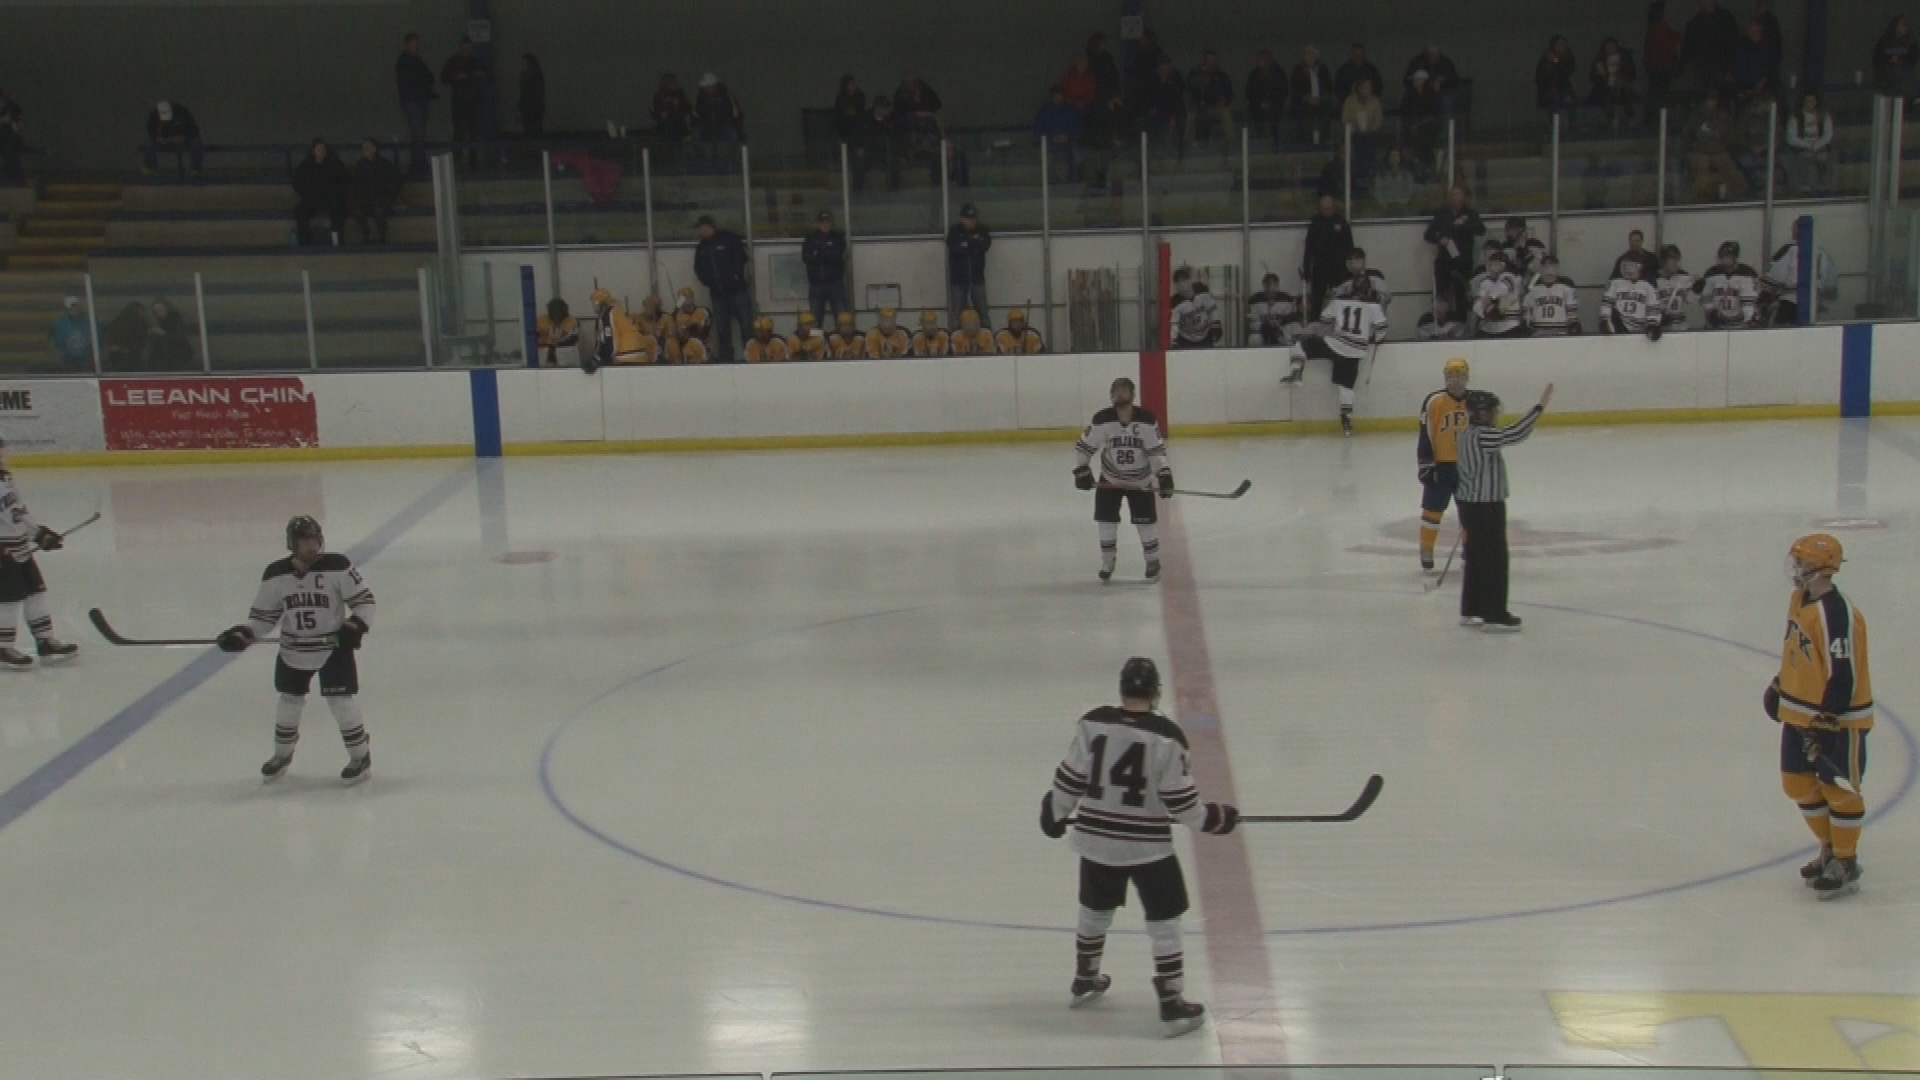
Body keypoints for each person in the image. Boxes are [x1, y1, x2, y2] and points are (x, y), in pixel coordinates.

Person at [1040, 656, 1236, 1035]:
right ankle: (1171, 1003)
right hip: (1147, 847)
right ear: (1155, 691)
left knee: (1094, 910)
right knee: (1165, 922)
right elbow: (1182, 804)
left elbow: (1069, 779)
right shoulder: (1167, 736)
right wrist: (1214, 818)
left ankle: (1085, 978)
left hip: (1096, 840)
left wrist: (1055, 811)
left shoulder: (1093, 723)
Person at [217, 516, 375, 784]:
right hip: (293, 650)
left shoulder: (337, 566)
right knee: (288, 702)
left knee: (341, 702)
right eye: (305, 542)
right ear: (293, 544)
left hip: (332, 647)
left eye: (315, 540)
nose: (312, 547)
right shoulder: (276, 575)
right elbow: (264, 617)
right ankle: (281, 754)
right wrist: (245, 634)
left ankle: (360, 756)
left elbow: (365, 602)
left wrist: (354, 626)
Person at [1767, 533, 1872, 900]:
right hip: (1798, 713)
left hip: (1837, 719)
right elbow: (1798, 652)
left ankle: (1845, 859)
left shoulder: (1836, 613)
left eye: (1802, 563)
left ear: (1821, 567)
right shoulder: (1800, 600)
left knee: (1839, 789)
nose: (1795, 570)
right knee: (1796, 784)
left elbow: (1843, 672)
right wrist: (1781, 686)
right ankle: (1829, 847)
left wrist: (1828, 718)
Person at [1455, 385, 1553, 632]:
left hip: (1469, 505)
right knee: (1494, 560)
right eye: (1493, 411)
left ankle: (1472, 608)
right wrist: (1538, 409)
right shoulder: (1482, 436)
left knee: (1476, 559)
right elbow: (1515, 434)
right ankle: (1495, 614)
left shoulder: (1465, 435)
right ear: (1482, 413)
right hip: (1486, 506)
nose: (1496, 415)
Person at [1072, 377, 1175, 582]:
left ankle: (1152, 560)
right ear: (1111, 396)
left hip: (1140, 481)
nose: (1120, 394)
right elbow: (1084, 447)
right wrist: (1081, 469)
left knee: (1146, 523)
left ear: (1133, 394)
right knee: (1106, 521)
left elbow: (1156, 452)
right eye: (1116, 391)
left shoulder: (1147, 420)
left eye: (1124, 391)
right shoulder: (1102, 420)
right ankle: (1108, 562)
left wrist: (1164, 474)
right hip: (1110, 479)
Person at [0, 438, 78, 668]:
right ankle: (3, 647)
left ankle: (45, 641)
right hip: (3, 549)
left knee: (36, 592)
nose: (4, 456)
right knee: (8, 598)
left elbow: (19, 512)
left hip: (19, 546)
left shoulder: (6, 479)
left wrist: (39, 534)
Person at [1284, 267, 1388, 436]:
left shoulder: (1339, 301)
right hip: (1355, 350)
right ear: (1368, 288)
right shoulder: (1374, 306)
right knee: (1346, 387)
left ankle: (1297, 371)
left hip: (1335, 343)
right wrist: (1377, 338)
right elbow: (1382, 330)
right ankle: (1346, 421)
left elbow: (1325, 319)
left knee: (1301, 345)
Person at [1415, 357, 1471, 573]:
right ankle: (1427, 550)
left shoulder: (1475, 401)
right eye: (1450, 375)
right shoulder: (1434, 401)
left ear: (1467, 377)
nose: (1454, 380)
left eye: (1459, 375)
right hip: (1440, 467)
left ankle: (1470, 551)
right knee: (1432, 511)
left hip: (1468, 467)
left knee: (1470, 512)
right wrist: (1426, 465)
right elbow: (1426, 434)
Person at [693, 215, 753, 362]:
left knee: (746, 325)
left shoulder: (728, 238)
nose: (701, 231)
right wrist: (709, 282)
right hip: (718, 294)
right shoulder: (701, 248)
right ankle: (726, 358)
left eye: (703, 227)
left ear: (710, 227)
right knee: (722, 329)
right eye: (699, 229)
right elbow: (698, 269)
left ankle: (751, 353)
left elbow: (741, 257)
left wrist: (736, 275)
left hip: (738, 291)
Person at [1425, 186, 1485, 316]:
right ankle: (1441, 316)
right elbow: (1428, 235)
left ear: (1463, 196)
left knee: (1461, 292)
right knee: (1442, 291)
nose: (1455, 197)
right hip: (1445, 259)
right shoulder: (1441, 214)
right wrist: (1439, 239)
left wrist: (1465, 225)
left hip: (1463, 259)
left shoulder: (1470, 213)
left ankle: (1461, 321)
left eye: (1458, 194)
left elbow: (1481, 230)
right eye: (1452, 195)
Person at [1685, 90, 1746, 201]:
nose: (1710, 102)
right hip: (1699, 153)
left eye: (1713, 100)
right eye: (1708, 100)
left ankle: (1736, 196)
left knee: (1730, 168)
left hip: (1719, 152)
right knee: (1701, 170)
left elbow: (1731, 135)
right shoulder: (1694, 117)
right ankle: (1701, 197)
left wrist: (1723, 147)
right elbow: (1687, 138)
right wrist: (1695, 148)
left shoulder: (1723, 117)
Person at [1759, 239, 1837, 325]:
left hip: (1790, 305)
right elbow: (1831, 286)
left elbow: (1773, 280)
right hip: (1816, 307)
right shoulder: (1824, 253)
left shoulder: (1790, 249)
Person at [1301, 194, 1354, 319]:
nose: (1326, 212)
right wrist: (1306, 268)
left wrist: (1349, 271)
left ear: (1333, 208)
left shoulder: (1341, 222)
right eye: (1323, 209)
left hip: (1338, 269)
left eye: (1328, 209)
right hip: (1320, 268)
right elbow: (1309, 248)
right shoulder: (1315, 222)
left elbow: (1350, 247)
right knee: (1317, 302)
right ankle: (1315, 328)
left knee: (1341, 300)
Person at [440, 37, 490, 168]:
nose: (468, 51)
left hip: (474, 103)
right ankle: (457, 161)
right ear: (461, 48)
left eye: (469, 48)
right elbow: (444, 77)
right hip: (459, 104)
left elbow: (490, 75)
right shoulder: (453, 62)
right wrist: (455, 77)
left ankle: (473, 161)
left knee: (474, 133)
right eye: (465, 48)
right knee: (458, 133)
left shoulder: (477, 62)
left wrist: (483, 74)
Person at [291, 139, 349, 247]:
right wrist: (307, 194)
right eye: (318, 149)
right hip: (312, 200)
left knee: (339, 210)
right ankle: (306, 242)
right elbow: (297, 182)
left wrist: (337, 194)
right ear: (313, 151)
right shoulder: (306, 165)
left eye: (323, 149)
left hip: (332, 199)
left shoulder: (335, 164)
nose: (321, 151)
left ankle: (337, 240)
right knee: (299, 210)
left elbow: (344, 181)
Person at [395, 34, 436, 177]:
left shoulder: (416, 60)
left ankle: (418, 164)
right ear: (407, 45)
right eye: (414, 43)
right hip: (413, 102)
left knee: (419, 134)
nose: (417, 46)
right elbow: (418, 79)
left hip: (419, 101)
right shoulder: (404, 62)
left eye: (417, 43)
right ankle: (418, 166)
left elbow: (428, 76)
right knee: (418, 134)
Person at [1694, 240, 1759, 328]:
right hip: (1716, 324)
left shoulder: (1747, 274)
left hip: (1739, 325)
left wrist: (1748, 319)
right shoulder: (1711, 273)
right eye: (1722, 256)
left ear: (1735, 257)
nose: (1724, 259)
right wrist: (1711, 312)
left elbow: (1749, 303)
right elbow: (1706, 298)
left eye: (1727, 256)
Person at [947, 204, 992, 329]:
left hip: (977, 280)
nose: (972, 221)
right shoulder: (954, 231)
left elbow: (985, 245)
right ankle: (955, 344)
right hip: (959, 281)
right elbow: (956, 249)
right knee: (957, 314)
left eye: (974, 218)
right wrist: (974, 245)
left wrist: (968, 245)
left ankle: (988, 342)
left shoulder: (982, 230)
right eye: (969, 218)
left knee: (983, 313)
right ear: (962, 218)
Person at [350, 138, 403, 245]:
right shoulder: (360, 166)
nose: (365, 149)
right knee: (357, 212)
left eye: (367, 147)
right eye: (363, 147)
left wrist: (389, 197)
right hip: (364, 200)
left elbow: (396, 182)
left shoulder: (385, 164)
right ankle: (367, 235)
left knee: (379, 210)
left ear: (375, 148)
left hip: (381, 199)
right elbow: (355, 185)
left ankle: (382, 236)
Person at [1683, 0, 1741, 93]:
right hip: (1702, 69)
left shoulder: (1725, 19)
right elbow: (1689, 45)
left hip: (1720, 67)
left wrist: (1732, 69)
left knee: (1718, 97)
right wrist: (1687, 62)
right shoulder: (1695, 22)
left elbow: (1734, 44)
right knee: (1701, 97)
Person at [802, 210, 850, 323]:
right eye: (822, 222)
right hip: (816, 285)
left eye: (827, 222)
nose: (825, 224)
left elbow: (837, 255)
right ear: (818, 224)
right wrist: (826, 253)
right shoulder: (810, 238)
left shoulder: (838, 237)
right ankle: (815, 341)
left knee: (842, 319)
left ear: (831, 223)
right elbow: (806, 258)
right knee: (814, 321)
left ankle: (841, 341)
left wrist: (818, 253)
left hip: (835, 284)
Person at [1785, 93, 1835, 195]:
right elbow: (1791, 137)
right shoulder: (1796, 116)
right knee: (1805, 156)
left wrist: (1817, 145)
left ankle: (1823, 185)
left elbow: (1828, 134)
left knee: (1823, 157)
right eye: (1807, 101)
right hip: (1801, 147)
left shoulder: (1823, 115)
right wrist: (1807, 145)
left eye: (1812, 101)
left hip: (1819, 147)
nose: (1809, 103)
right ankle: (1804, 185)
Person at [1472, 248, 1526, 338]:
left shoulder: (1510, 278)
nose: (1493, 267)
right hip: (1489, 327)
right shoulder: (1485, 281)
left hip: (1509, 325)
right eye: (1491, 264)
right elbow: (1477, 304)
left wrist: (1489, 298)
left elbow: (1500, 289)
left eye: (1497, 264)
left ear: (1503, 265)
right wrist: (1484, 311)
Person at [1644, 1, 1683, 125]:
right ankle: (1654, 120)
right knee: (1659, 94)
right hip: (1661, 67)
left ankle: (1652, 119)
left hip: (1655, 67)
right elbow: (1668, 44)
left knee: (1655, 93)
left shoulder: (1655, 27)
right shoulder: (1659, 28)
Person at [1601, 257, 1663, 336]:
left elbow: (1653, 307)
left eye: (1634, 266)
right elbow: (1607, 303)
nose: (1630, 270)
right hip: (1620, 325)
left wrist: (1652, 324)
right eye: (1628, 266)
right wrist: (1606, 319)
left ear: (1640, 267)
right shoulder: (1615, 283)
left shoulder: (1648, 287)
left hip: (1642, 329)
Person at [1187, 50, 1234, 151]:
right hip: (1199, 108)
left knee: (1226, 112)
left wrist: (1224, 100)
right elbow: (1188, 88)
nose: (1211, 62)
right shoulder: (1195, 73)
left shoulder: (1221, 75)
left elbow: (1229, 92)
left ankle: (1230, 141)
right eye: (1208, 59)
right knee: (1190, 114)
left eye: (1213, 59)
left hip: (1215, 108)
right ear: (1204, 60)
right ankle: (1187, 141)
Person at [1588, 37, 1639, 130]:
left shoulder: (1624, 58)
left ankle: (1630, 117)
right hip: (1605, 86)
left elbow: (1631, 72)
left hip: (1621, 85)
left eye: (1612, 46)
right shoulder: (1600, 60)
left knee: (1624, 94)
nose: (1610, 49)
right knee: (1608, 96)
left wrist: (1622, 79)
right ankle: (1611, 118)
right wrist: (1603, 76)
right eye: (1608, 47)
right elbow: (1595, 77)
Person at [1139, 57, 1187, 154]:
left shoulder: (1176, 78)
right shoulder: (1153, 79)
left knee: (1180, 119)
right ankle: (1151, 147)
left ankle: (1179, 147)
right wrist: (1151, 107)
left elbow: (1177, 99)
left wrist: (1173, 116)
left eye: (1166, 66)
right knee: (1148, 121)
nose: (1164, 69)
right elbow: (1148, 96)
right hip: (1159, 109)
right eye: (1162, 66)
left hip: (1174, 110)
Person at [1035, 85, 1084, 180]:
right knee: (1047, 157)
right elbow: (1037, 131)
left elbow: (1079, 129)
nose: (1058, 98)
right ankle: (1049, 183)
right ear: (1052, 96)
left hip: (1069, 143)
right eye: (1056, 95)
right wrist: (1052, 138)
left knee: (1076, 154)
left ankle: (1074, 181)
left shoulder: (1071, 110)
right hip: (1051, 143)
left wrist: (1068, 136)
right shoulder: (1044, 112)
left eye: (1060, 95)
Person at [694, 73, 745, 163]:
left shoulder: (727, 94)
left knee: (732, 134)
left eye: (706, 87)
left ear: (712, 86)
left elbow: (736, 114)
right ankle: (703, 161)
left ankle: (728, 161)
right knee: (697, 134)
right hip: (706, 126)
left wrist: (739, 130)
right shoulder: (701, 96)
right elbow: (695, 114)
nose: (704, 89)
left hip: (724, 126)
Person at [1291, 45, 1337, 145]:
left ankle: (1325, 141)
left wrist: (1321, 98)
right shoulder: (1298, 70)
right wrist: (1307, 98)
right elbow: (1294, 89)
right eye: (1308, 54)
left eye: (1313, 54)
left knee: (1327, 112)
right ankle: (1304, 143)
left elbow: (1329, 87)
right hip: (1304, 103)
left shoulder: (1323, 69)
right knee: (1303, 116)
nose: (1310, 57)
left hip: (1321, 102)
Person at [1342, 79, 1385, 183]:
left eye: (1369, 88)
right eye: (1366, 87)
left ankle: (1370, 174)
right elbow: (1345, 119)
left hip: (1370, 135)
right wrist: (1355, 127)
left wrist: (1371, 128)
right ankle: (1358, 176)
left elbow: (1379, 119)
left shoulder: (1375, 101)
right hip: (1354, 135)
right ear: (1359, 88)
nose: (1368, 90)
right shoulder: (1350, 101)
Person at [1524, 256, 1580, 336]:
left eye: (1552, 268)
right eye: (1546, 268)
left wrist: (1574, 325)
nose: (1549, 272)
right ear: (1541, 270)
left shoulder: (1566, 289)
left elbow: (1572, 315)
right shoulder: (1533, 291)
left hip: (1561, 334)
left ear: (1557, 270)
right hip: (1538, 335)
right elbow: (1527, 315)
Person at [145, 100, 203, 176]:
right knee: (150, 142)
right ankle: (151, 168)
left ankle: (195, 169)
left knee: (196, 142)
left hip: (182, 138)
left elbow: (194, 130)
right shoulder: (154, 115)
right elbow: (150, 129)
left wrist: (184, 138)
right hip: (164, 139)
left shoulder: (182, 112)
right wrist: (157, 137)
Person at [1245, 50, 1288, 147]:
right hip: (1257, 105)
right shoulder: (1254, 74)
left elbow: (1283, 91)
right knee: (1255, 114)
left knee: (1274, 116)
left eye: (1261, 60)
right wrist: (1260, 102)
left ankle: (1275, 140)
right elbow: (1249, 92)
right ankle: (1259, 138)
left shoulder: (1279, 73)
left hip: (1275, 105)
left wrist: (1271, 102)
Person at [1247, 274, 1304, 347]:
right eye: (1268, 285)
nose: (1271, 289)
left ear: (1277, 285)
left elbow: (1291, 319)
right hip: (1262, 331)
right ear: (1264, 286)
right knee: (1254, 339)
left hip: (1282, 330)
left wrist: (1280, 322)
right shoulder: (1255, 300)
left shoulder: (1287, 299)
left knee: (1288, 337)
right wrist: (1264, 324)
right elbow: (1252, 322)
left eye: (1274, 285)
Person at [1731, 19, 1779, 104]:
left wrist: (1761, 84)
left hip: (1761, 88)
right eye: (1750, 30)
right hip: (1741, 86)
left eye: (1755, 31)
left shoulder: (1768, 48)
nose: (1753, 33)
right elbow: (1736, 63)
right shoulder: (1741, 45)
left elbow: (1770, 68)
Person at [1535, 37, 1579, 128]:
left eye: (1564, 44)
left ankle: (1569, 125)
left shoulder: (1568, 57)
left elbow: (1566, 72)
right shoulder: (1545, 60)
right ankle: (1555, 127)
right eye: (1560, 44)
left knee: (1570, 102)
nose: (1562, 47)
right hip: (1548, 90)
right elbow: (1542, 78)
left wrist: (1557, 62)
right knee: (1554, 102)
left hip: (1564, 88)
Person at [1874, 17, 1920, 100]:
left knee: (1907, 77)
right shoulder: (1886, 40)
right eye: (1902, 25)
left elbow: (1914, 56)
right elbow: (1879, 57)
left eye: (1906, 25)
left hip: (1905, 70)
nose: (1906, 27)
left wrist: (1902, 60)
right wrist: (1890, 59)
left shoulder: (1910, 40)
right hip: (1888, 73)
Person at [651, 74, 693, 161]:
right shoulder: (659, 95)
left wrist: (679, 104)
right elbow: (655, 112)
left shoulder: (680, 94)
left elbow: (688, 109)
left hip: (679, 125)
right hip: (666, 127)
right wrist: (661, 114)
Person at [147, 297, 195, 369]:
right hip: (162, 358)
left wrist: (163, 333)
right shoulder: (156, 322)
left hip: (178, 355)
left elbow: (179, 338)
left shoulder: (176, 319)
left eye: (161, 309)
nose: (159, 312)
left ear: (167, 308)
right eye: (156, 311)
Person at [1656, 244, 1696, 330]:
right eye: (1672, 259)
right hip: (1663, 327)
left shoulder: (1683, 277)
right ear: (1663, 261)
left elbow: (1689, 300)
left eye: (1677, 260)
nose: (1676, 263)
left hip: (1681, 326)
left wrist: (1696, 288)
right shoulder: (1654, 280)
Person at [1170, 282, 1222, 349]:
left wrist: (1217, 326)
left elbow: (1212, 312)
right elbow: (1174, 323)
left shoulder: (1206, 300)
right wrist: (1174, 340)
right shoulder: (1179, 304)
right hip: (1186, 339)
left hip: (1204, 338)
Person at [50, 297, 92, 371]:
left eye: (76, 307)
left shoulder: (88, 322)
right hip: (68, 360)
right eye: (72, 308)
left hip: (86, 360)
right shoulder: (60, 324)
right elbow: (58, 343)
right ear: (67, 309)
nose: (75, 310)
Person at [104, 302, 149, 370]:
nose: (143, 314)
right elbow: (110, 340)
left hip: (133, 355)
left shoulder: (142, 324)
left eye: (143, 311)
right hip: (120, 356)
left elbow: (142, 342)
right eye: (140, 312)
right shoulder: (118, 323)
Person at [536, 297, 579, 367]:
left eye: (558, 311)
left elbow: (567, 340)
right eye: (553, 311)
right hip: (545, 355)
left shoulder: (571, 321)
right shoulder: (542, 320)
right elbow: (536, 338)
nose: (556, 314)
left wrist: (549, 339)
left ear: (564, 310)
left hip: (565, 354)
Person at [1373, 148, 1415, 215]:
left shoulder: (1406, 175)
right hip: (1385, 211)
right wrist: (1385, 205)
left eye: (1396, 156)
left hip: (1402, 211)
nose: (1394, 158)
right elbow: (1378, 192)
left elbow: (1409, 191)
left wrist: (1401, 204)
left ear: (1400, 158)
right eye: (1392, 156)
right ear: (1388, 158)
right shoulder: (1381, 175)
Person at [1087, 33, 1122, 104]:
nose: (1104, 44)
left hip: (1108, 90)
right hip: (1099, 91)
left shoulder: (1107, 58)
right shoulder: (1092, 59)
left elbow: (1113, 75)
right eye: (1102, 42)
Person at [833, 75, 868, 144]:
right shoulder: (841, 98)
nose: (853, 86)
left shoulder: (860, 96)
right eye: (850, 84)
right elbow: (839, 113)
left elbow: (860, 111)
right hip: (844, 126)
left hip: (856, 125)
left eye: (853, 84)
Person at [517, 54, 546, 138]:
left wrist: (520, 110)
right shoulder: (534, 78)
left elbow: (525, 96)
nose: (523, 66)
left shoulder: (532, 79)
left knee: (531, 134)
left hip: (532, 111)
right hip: (533, 111)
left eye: (525, 64)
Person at [0, 88, 24, 182]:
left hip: (11, 140)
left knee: (10, 154)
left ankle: (14, 177)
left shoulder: (12, 107)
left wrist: (12, 122)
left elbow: (18, 126)